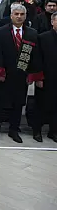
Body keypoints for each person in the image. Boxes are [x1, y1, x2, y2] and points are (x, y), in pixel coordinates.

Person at [0, 4, 42, 143]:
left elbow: (35, 56)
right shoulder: (1, 32)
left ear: (25, 16)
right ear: (11, 15)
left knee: (18, 103)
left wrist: (33, 75)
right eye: (16, 14)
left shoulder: (32, 33)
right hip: (4, 74)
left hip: (22, 74)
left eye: (21, 14)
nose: (19, 17)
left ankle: (14, 129)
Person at [36, 12, 57, 142]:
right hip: (45, 77)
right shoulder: (43, 37)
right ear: (52, 22)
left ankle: (53, 131)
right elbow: (37, 59)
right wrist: (38, 77)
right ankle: (37, 130)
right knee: (41, 105)